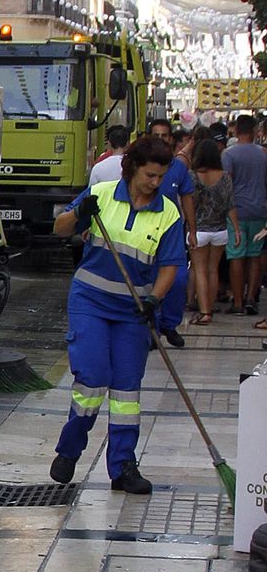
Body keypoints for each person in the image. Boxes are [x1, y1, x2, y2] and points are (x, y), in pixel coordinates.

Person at [49, 134, 187, 495]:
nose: (155, 184)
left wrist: (155, 300)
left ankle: (123, 466)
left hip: (132, 311)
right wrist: (80, 212)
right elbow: (60, 228)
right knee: (92, 379)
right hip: (90, 302)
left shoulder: (168, 212)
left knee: (127, 391)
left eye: (161, 177)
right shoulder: (104, 195)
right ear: (132, 168)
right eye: (149, 176)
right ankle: (70, 449)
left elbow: (170, 266)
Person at [151, 132, 196, 348]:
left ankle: (170, 324)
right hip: (147, 231)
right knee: (150, 279)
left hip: (172, 230)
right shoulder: (138, 166)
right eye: (156, 134)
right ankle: (153, 328)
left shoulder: (178, 168)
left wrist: (192, 231)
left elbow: (187, 199)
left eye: (164, 135)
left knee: (178, 280)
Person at [190, 139, 239, 325]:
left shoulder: (192, 176)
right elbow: (231, 205)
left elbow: (188, 204)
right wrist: (236, 228)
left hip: (198, 230)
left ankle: (204, 312)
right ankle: (209, 308)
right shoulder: (225, 177)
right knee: (213, 270)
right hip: (220, 230)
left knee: (200, 270)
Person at [224, 116, 267, 314]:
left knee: (236, 255)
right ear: (254, 130)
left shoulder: (228, 155)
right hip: (259, 210)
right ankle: (251, 298)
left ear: (236, 130)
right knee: (255, 255)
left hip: (236, 211)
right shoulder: (263, 154)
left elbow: (227, 185)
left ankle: (238, 302)